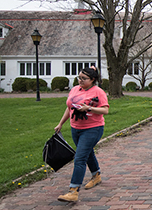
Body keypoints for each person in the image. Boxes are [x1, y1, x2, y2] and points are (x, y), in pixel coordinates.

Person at [54, 66, 109, 203]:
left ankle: (73, 191)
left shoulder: (98, 92)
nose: (80, 80)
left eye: (84, 78)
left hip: (93, 128)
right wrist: (61, 123)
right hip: (76, 128)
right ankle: (96, 175)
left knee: (79, 158)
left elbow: (105, 111)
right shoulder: (74, 90)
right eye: (79, 77)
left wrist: (89, 108)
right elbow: (69, 108)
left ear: (92, 79)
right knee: (87, 152)